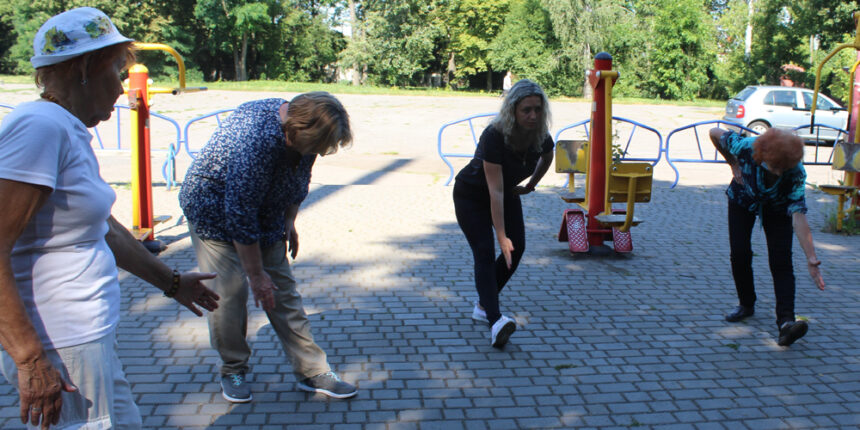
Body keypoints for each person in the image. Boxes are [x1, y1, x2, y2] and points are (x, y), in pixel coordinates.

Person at [0, 7, 220, 429]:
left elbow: (103, 229)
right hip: (60, 345)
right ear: (84, 68)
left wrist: (171, 283)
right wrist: (29, 359)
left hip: (82, 338)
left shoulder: (64, 128)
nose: (122, 89)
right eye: (117, 73)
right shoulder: (40, 128)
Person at [179, 92, 358, 402]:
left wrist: (289, 221)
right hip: (213, 209)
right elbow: (239, 213)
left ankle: (312, 370)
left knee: (283, 293)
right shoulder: (258, 140)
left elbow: (299, 178)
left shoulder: (305, 129)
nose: (319, 153)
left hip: (262, 210)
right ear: (295, 131)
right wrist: (256, 274)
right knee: (229, 292)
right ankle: (233, 368)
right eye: (316, 146)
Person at [453, 79, 554, 348]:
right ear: (513, 111)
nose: (533, 116)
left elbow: (548, 156)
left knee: (517, 247)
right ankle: (495, 320)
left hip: (506, 193)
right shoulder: (495, 135)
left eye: (537, 109)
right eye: (526, 110)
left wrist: (531, 184)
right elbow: (493, 191)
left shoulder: (540, 134)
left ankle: (484, 303)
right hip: (472, 196)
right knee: (485, 252)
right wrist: (500, 234)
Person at [709, 127, 826, 347]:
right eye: (775, 168)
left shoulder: (796, 172)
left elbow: (799, 216)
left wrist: (811, 258)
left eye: (785, 168)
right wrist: (733, 163)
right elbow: (714, 132)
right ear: (762, 156)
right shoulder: (746, 146)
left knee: (781, 261)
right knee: (740, 253)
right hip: (742, 198)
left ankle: (786, 323)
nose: (780, 173)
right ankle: (746, 304)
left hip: (777, 209)